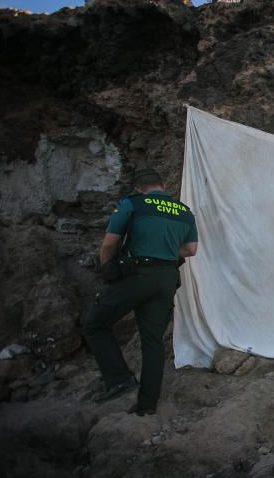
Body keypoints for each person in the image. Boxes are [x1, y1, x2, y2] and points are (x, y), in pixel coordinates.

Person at [82, 168, 198, 415]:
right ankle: (146, 407)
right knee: (153, 342)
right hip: (167, 278)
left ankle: (119, 379)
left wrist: (107, 270)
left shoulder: (132, 204)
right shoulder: (184, 211)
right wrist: (165, 253)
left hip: (137, 275)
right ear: (163, 186)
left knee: (94, 324)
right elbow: (190, 249)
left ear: (138, 188)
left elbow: (110, 243)